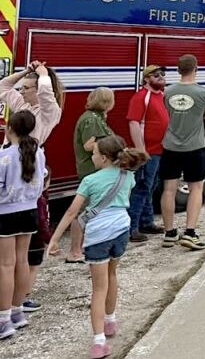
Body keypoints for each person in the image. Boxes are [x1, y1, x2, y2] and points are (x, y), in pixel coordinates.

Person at [48, 135, 148, 359]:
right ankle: (110, 320)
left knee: (98, 288)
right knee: (112, 275)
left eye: (93, 154)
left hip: (98, 236)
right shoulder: (128, 177)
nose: (91, 157)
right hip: (121, 230)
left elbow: (72, 212)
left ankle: (99, 341)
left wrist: (55, 238)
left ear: (103, 158)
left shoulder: (89, 181)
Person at [0, 61, 63, 312]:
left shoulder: (48, 113)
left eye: (27, 88)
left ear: (39, 90)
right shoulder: (22, 107)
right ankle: (15, 305)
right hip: (21, 190)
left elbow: (48, 95)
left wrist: (43, 75)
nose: (22, 91)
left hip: (22, 191)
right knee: (15, 257)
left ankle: (18, 300)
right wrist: (25, 73)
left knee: (19, 256)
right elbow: (3, 86)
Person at [161, 55, 205, 251]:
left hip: (170, 147)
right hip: (195, 147)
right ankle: (190, 233)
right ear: (196, 69)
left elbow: (165, 112)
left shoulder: (167, 91)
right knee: (196, 188)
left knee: (169, 189)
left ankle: (169, 233)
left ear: (178, 70)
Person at [0, 111, 45, 338]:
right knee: (22, 260)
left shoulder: (4, 156)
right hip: (30, 210)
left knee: (6, 265)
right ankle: (18, 311)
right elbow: (43, 177)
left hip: (6, 213)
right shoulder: (39, 153)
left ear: (10, 129)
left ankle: (3, 319)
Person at [70, 87, 116, 263]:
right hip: (91, 170)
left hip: (96, 170)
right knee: (83, 211)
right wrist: (112, 146)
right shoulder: (91, 120)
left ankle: (83, 246)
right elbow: (89, 145)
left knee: (91, 209)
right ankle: (74, 251)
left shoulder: (96, 118)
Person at [127, 65, 170, 242]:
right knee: (142, 188)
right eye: (156, 75)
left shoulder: (162, 96)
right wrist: (141, 150)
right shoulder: (141, 97)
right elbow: (134, 123)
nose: (161, 77)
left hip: (160, 150)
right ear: (146, 79)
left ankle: (147, 221)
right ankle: (131, 228)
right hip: (149, 152)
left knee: (151, 187)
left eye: (162, 74)